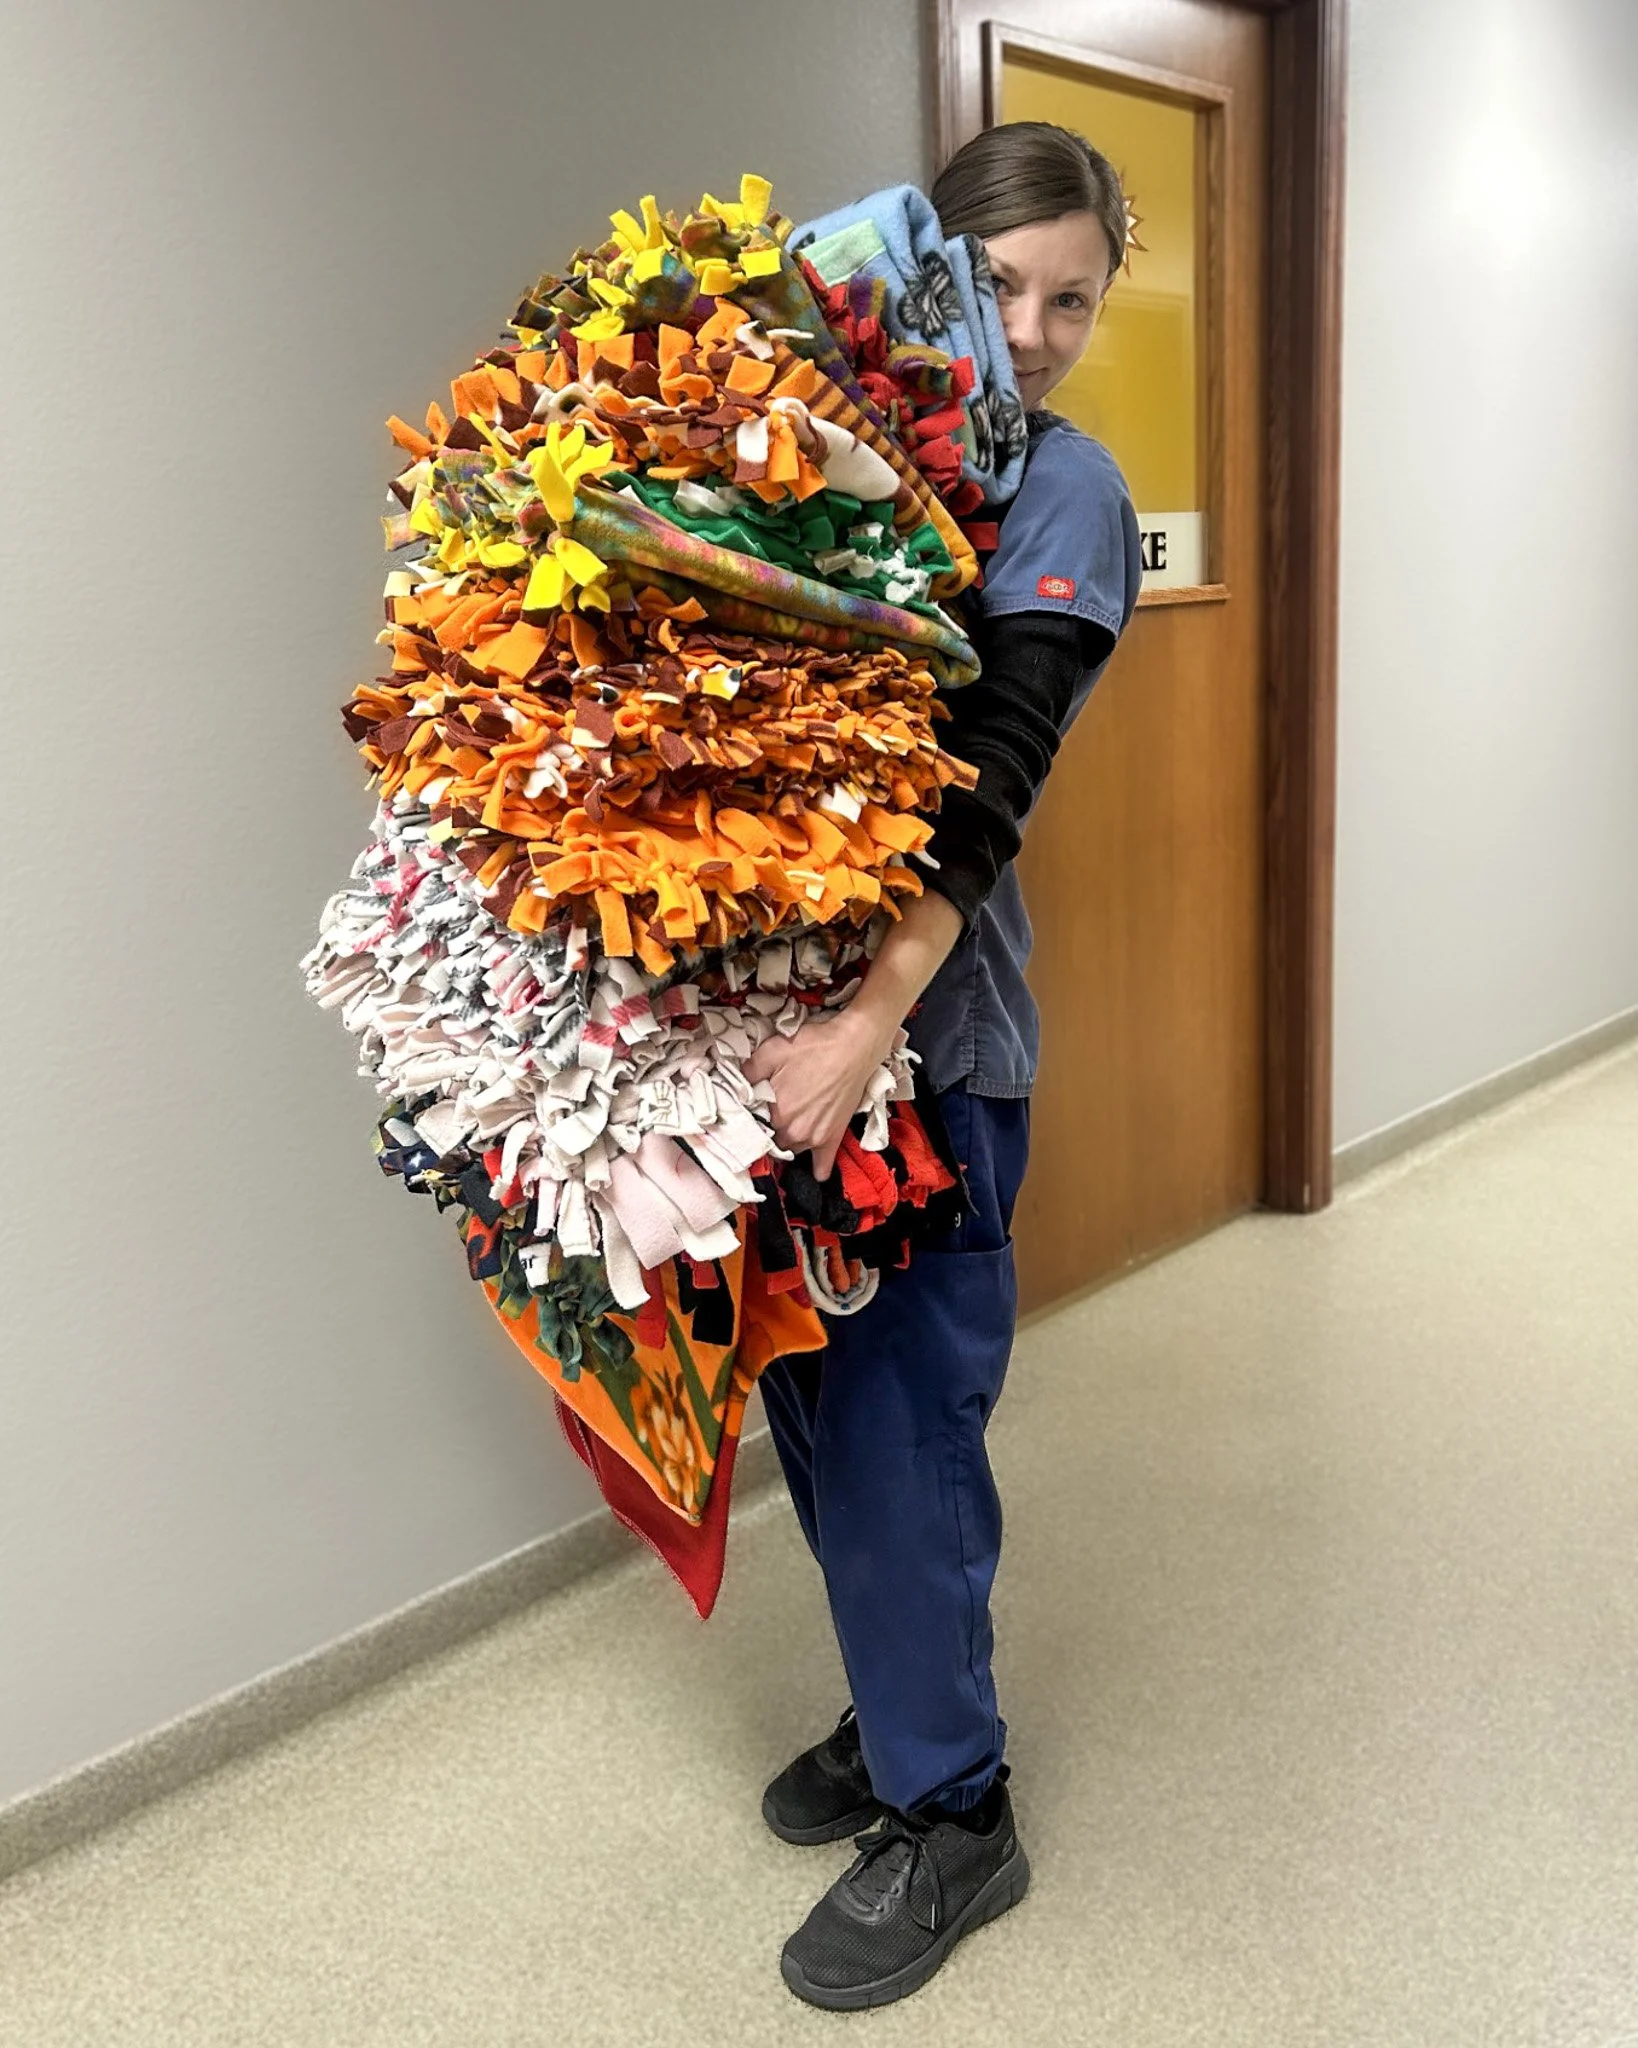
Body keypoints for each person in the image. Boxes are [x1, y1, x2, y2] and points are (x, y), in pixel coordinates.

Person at [744, 120, 1146, 2010]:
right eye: (998, 286)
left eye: (1076, 298)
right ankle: (900, 1705)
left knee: (902, 1433)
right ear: (922, 272)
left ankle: (956, 1811)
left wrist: (862, 1027)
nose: (1036, 333)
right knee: (812, 1408)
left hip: (920, 1056)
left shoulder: (1063, 489)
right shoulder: (844, 448)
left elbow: (990, 782)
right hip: (774, 1050)